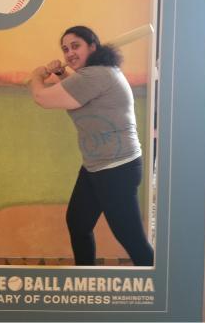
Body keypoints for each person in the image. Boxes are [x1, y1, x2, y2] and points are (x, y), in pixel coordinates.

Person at [27, 25, 154, 266]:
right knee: (78, 223)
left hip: (117, 168)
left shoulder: (97, 75)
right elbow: (81, 98)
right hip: (96, 166)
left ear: (93, 46)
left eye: (76, 46)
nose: (69, 53)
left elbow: (41, 98)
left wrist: (37, 76)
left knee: (132, 241)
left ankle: (161, 295)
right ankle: (85, 277)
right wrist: (62, 76)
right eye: (65, 49)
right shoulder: (99, 73)